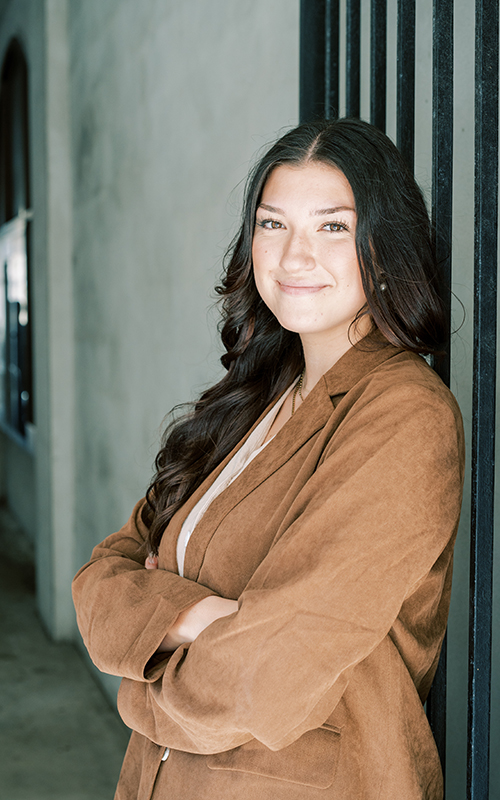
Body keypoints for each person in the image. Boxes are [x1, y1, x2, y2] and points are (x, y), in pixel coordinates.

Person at [72, 117, 464, 800]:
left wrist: (142, 689)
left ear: (385, 247)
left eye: (333, 227)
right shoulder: (255, 397)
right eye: (273, 223)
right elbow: (99, 583)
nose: (293, 256)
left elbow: (271, 669)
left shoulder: (404, 414)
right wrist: (202, 617)